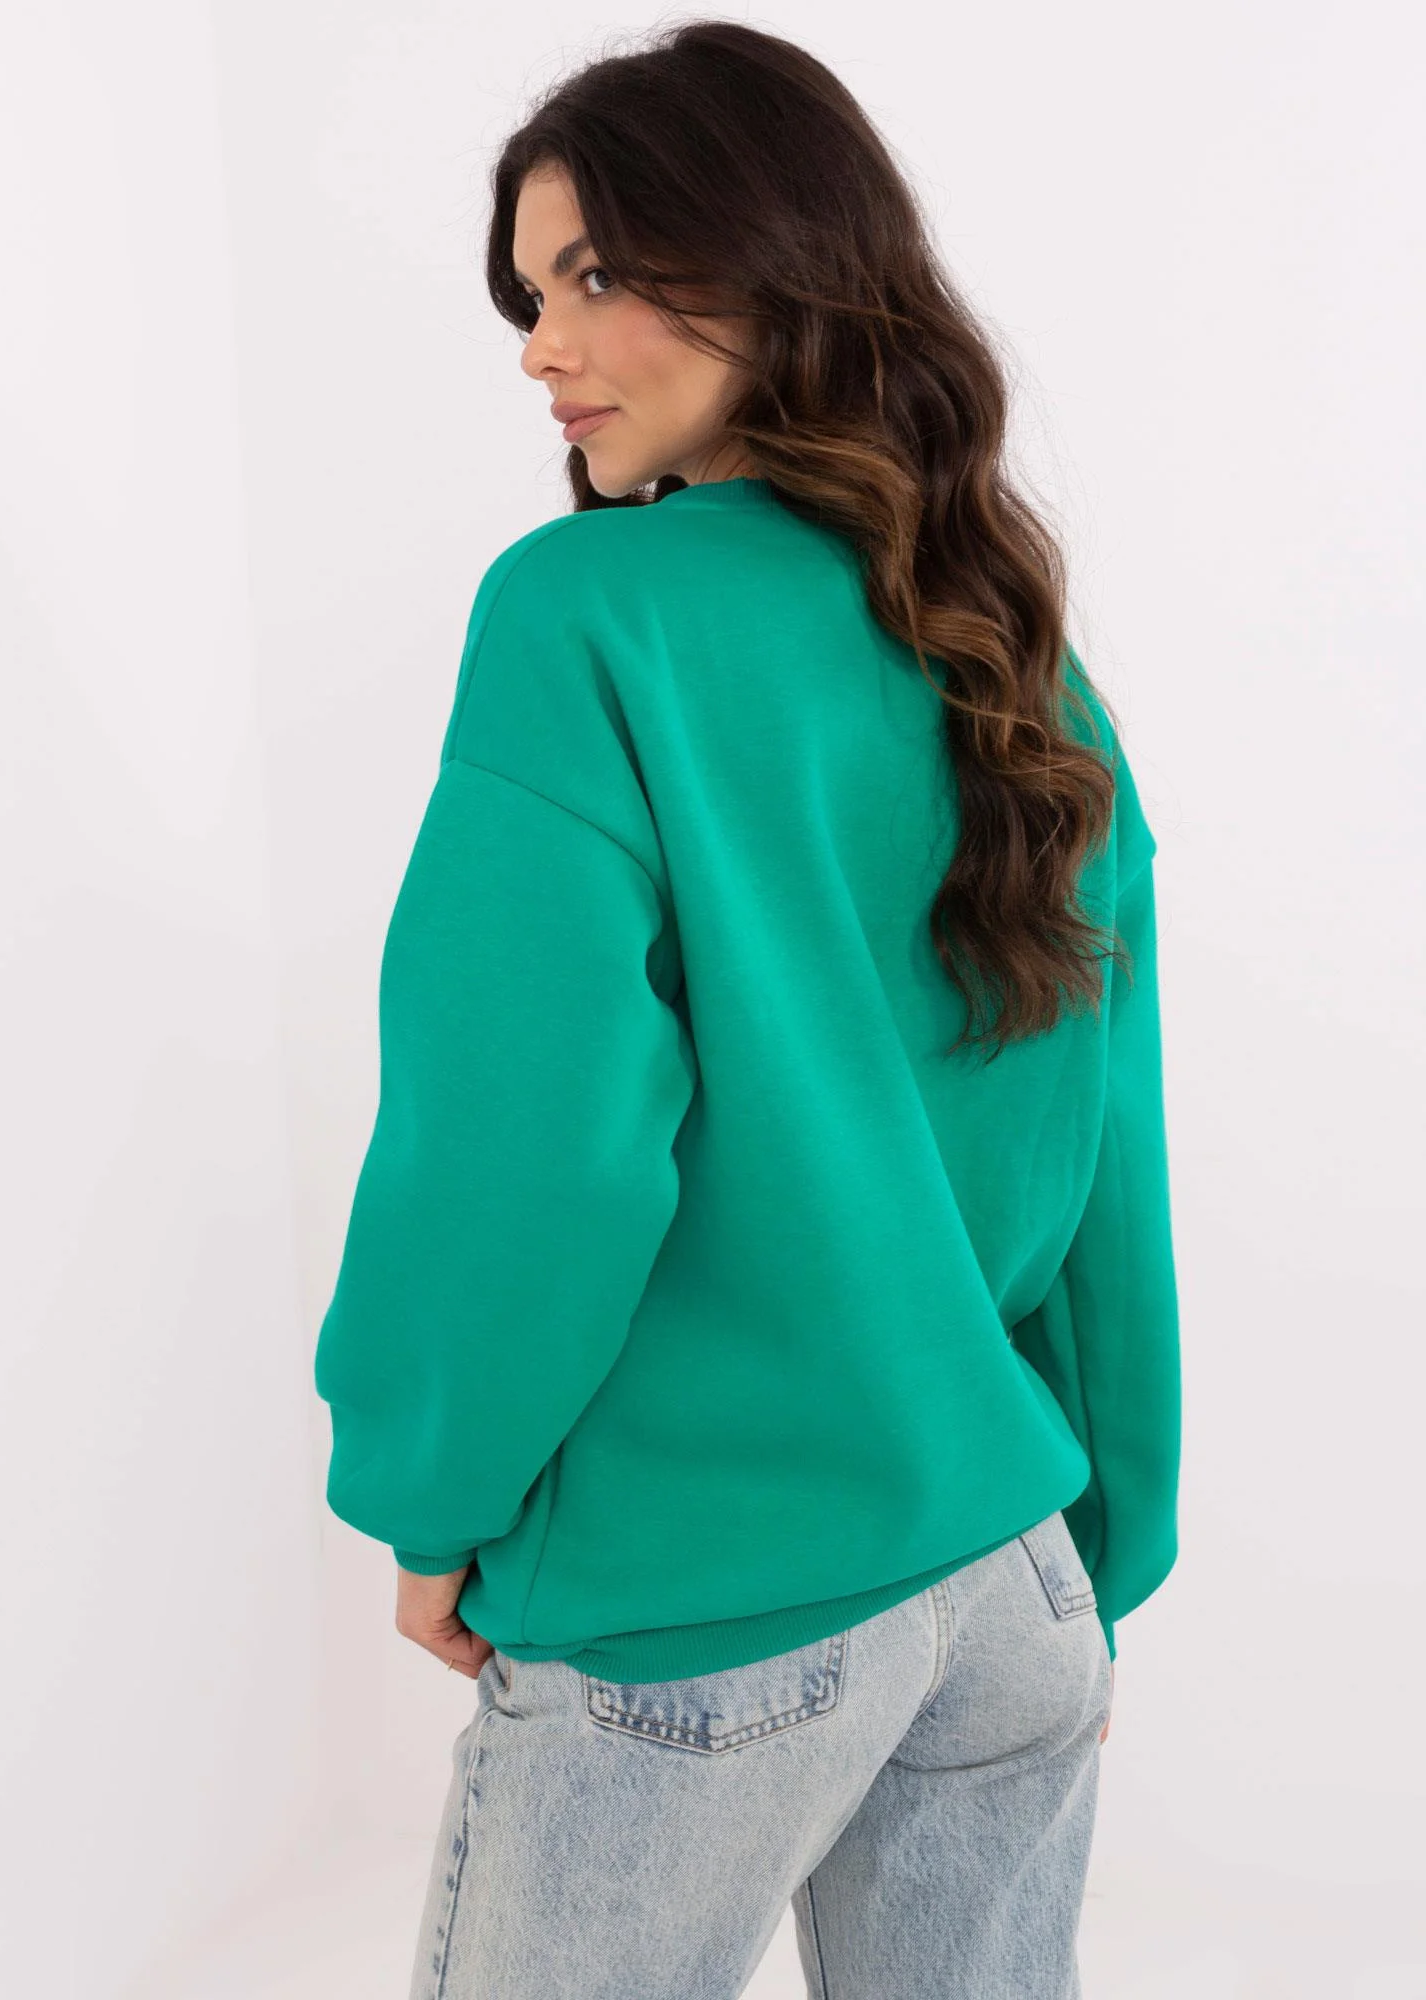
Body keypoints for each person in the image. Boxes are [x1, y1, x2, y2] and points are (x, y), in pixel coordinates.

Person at [312, 20, 1181, 1998]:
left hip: (699, 1613)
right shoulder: (1014, 661)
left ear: (773, 259)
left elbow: (524, 1144)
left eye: (595, 275)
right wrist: (1096, 1554)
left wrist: (434, 1494)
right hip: (1007, 1578)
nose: (542, 347)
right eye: (531, 297)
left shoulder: (583, 615)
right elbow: (1098, 1154)